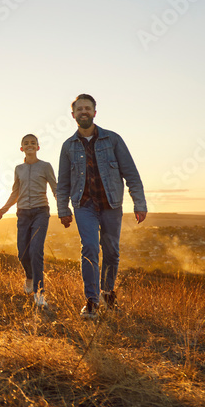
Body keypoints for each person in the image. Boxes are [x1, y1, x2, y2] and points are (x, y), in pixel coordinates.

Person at [57, 94, 146, 319]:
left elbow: (131, 173)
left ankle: (107, 292)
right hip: (84, 205)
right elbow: (63, 182)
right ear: (73, 115)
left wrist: (139, 203)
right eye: (79, 109)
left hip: (111, 204)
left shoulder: (113, 140)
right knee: (89, 248)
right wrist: (63, 210)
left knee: (112, 251)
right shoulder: (68, 146)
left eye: (87, 108)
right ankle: (92, 301)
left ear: (95, 112)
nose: (83, 112)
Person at [0, 134, 57, 308]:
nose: (30, 145)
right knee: (22, 252)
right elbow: (15, 193)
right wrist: (2, 210)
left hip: (40, 212)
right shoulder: (18, 169)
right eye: (26, 143)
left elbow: (55, 188)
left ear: (38, 147)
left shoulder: (45, 166)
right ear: (21, 148)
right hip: (22, 214)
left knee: (36, 251)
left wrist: (64, 210)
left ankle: (40, 292)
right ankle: (30, 277)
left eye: (33, 143)